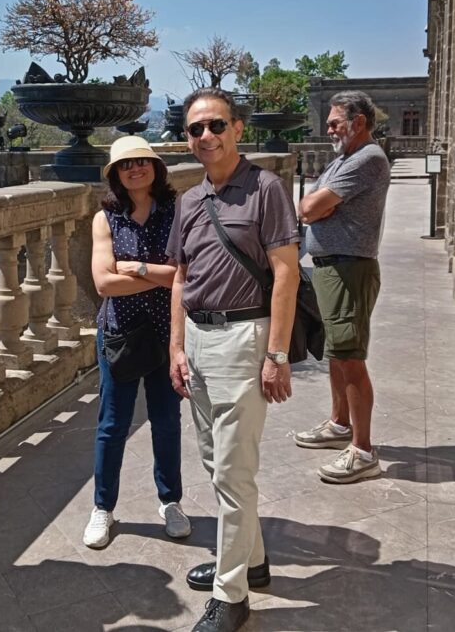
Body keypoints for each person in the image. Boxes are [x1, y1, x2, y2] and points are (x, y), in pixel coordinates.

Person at [167, 88, 300, 632]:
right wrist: (176, 345)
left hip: (245, 337)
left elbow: (286, 272)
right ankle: (252, 562)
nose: (206, 136)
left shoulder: (266, 189)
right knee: (215, 462)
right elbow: (181, 275)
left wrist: (277, 354)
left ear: (237, 128)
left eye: (215, 125)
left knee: (232, 471)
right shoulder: (188, 200)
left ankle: (232, 595)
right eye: (195, 128)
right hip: (198, 339)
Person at [83, 135, 190, 548]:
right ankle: (103, 508)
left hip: (169, 333)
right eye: (125, 165)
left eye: (142, 162)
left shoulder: (175, 213)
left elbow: (185, 274)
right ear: (115, 175)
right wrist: (160, 274)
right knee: (112, 425)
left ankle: (170, 501)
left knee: (166, 422)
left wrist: (138, 267)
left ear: (155, 167)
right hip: (120, 334)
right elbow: (104, 282)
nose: (135, 169)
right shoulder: (105, 219)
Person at [295, 90, 390, 483]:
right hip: (331, 267)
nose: (328, 128)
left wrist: (319, 206)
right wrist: (319, 205)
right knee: (336, 352)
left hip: (350, 269)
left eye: (335, 122)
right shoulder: (341, 160)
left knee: (350, 357)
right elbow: (310, 204)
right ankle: (339, 424)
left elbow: (309, 208)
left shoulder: (367, 158)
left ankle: (363, 451)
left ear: (360, 122)